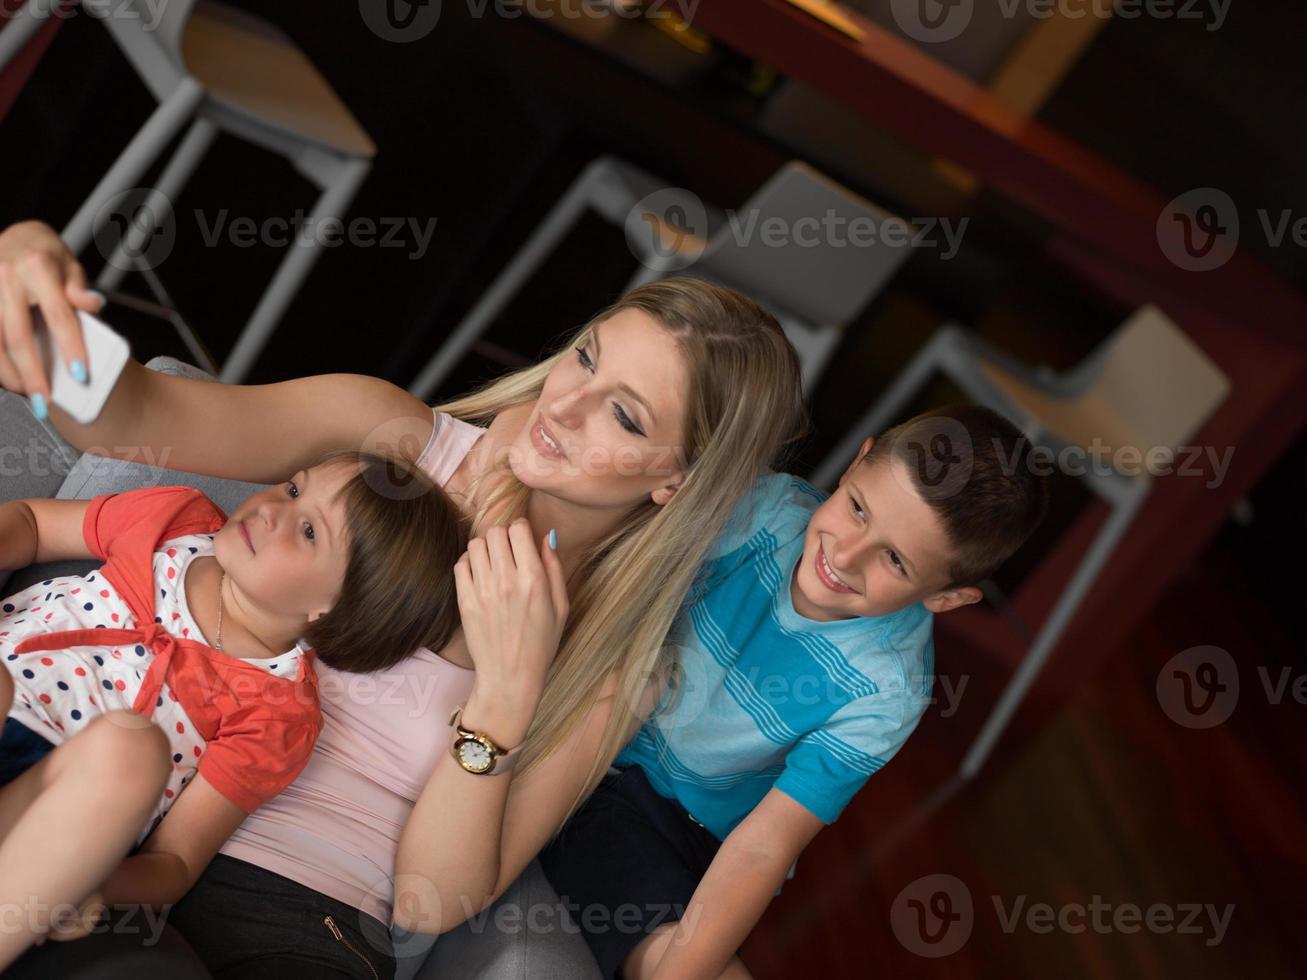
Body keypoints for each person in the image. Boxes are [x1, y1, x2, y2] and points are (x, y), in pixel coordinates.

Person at [0, 219, 806, 979]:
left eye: (624, 417)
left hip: (300, 919)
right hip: (120, 826)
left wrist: (503, 694)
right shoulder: (388, 441)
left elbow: (430, 902)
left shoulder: (610, 662)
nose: (565, 406)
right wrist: (31, 284)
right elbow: (137, 416)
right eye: (587, 359)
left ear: (677, 480)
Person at [538, 405, 1050, 979]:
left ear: (947, 598)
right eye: (857, 508)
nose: (845, 555)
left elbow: (765, 845)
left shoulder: (890, 689)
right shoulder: (764, 509)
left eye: (895, 561)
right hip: (588, 717)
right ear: (858, 459)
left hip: (676, 823)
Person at [0, 451, 466, 967]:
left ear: (334, 607)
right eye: (292, 488)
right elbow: (32, 522)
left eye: (309, 531)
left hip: (53, 808)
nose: (271, 510)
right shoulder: (174, 521)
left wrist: (97, 887)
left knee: (130, 748)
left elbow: (172, 864)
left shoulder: (279, 711)